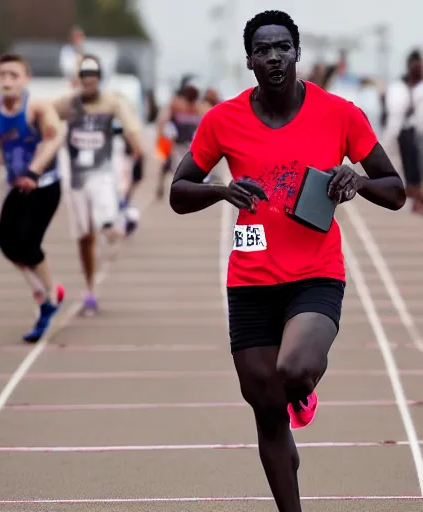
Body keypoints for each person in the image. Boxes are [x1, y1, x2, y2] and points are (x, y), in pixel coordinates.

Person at [169, 10, 405, 511]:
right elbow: (178, 192)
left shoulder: (339, 113)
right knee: (268, 413)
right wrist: (222, 191)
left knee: (295, 369)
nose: (273, 56)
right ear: (249, 60)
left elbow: (396, 190)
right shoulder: (223, 120)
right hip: (250, 281)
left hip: (315, 275)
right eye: (262, 49)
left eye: (282, 47)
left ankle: (303, 388)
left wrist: (357, 182)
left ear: (297, 53)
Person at [0, 54, 66, 342]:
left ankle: (48, 300)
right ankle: (46, 291)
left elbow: (54, 137)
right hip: (16, 186)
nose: (7, 81)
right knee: (5, 243)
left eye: (13, 75)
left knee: (28, 245)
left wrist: (34, 171)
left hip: (45, 186)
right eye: (2, 75)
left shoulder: (37, 107)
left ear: (26, 79)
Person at [53, 55, 143, 315]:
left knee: (104, 216)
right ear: (79, 80)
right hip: (76, 176)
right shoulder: (68, 103)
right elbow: (43, 114)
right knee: (84, 237)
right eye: (85, 79)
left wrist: (136, 145)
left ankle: (114, 223)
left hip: (102, 172)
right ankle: (90, 289)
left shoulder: (111, 101)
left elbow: (131, 125)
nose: (89, 84)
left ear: (100, 79)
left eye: (93, 78)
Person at [156, 76, 210, 199]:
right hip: (177, 142)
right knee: (167, 162)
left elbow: (212, 121)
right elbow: (162, 120)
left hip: (193, 144)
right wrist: (162, 137)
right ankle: (161, 187)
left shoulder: (202, 106)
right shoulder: (175, 103)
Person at [383, 50, 423, 214]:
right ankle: (412, 198)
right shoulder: (398, 88)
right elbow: (393, 110)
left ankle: (417, 199)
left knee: (418, 168)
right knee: (405, 169)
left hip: (418, 133)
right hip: (400, 133)